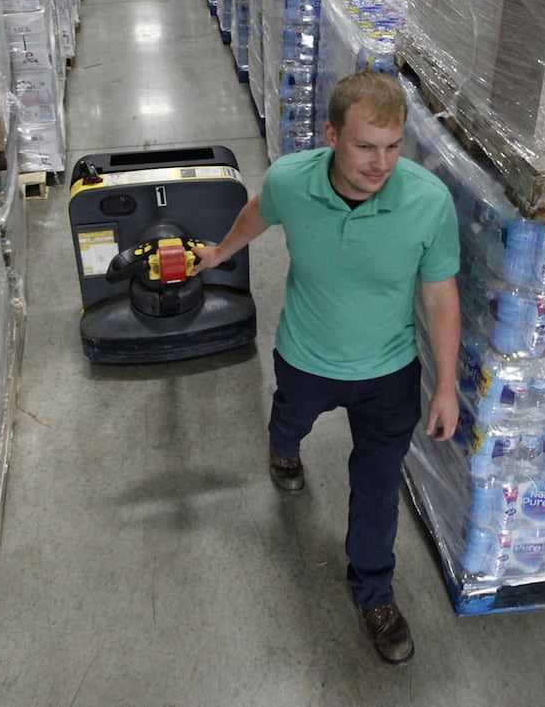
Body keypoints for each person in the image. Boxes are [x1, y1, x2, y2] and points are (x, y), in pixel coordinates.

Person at [193, 71, 461, 666]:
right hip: (306, 356)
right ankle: (282, 448)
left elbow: (441, 294)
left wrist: (444, 386)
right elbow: (259, 213)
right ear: (331, 134)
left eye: (392, 147)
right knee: (289, 421)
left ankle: (374, 592)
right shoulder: (292, 181)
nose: (380, 163)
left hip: (388, 372)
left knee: (378, 485)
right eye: (365, 145)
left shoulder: (427, 202)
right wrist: (217, 254)